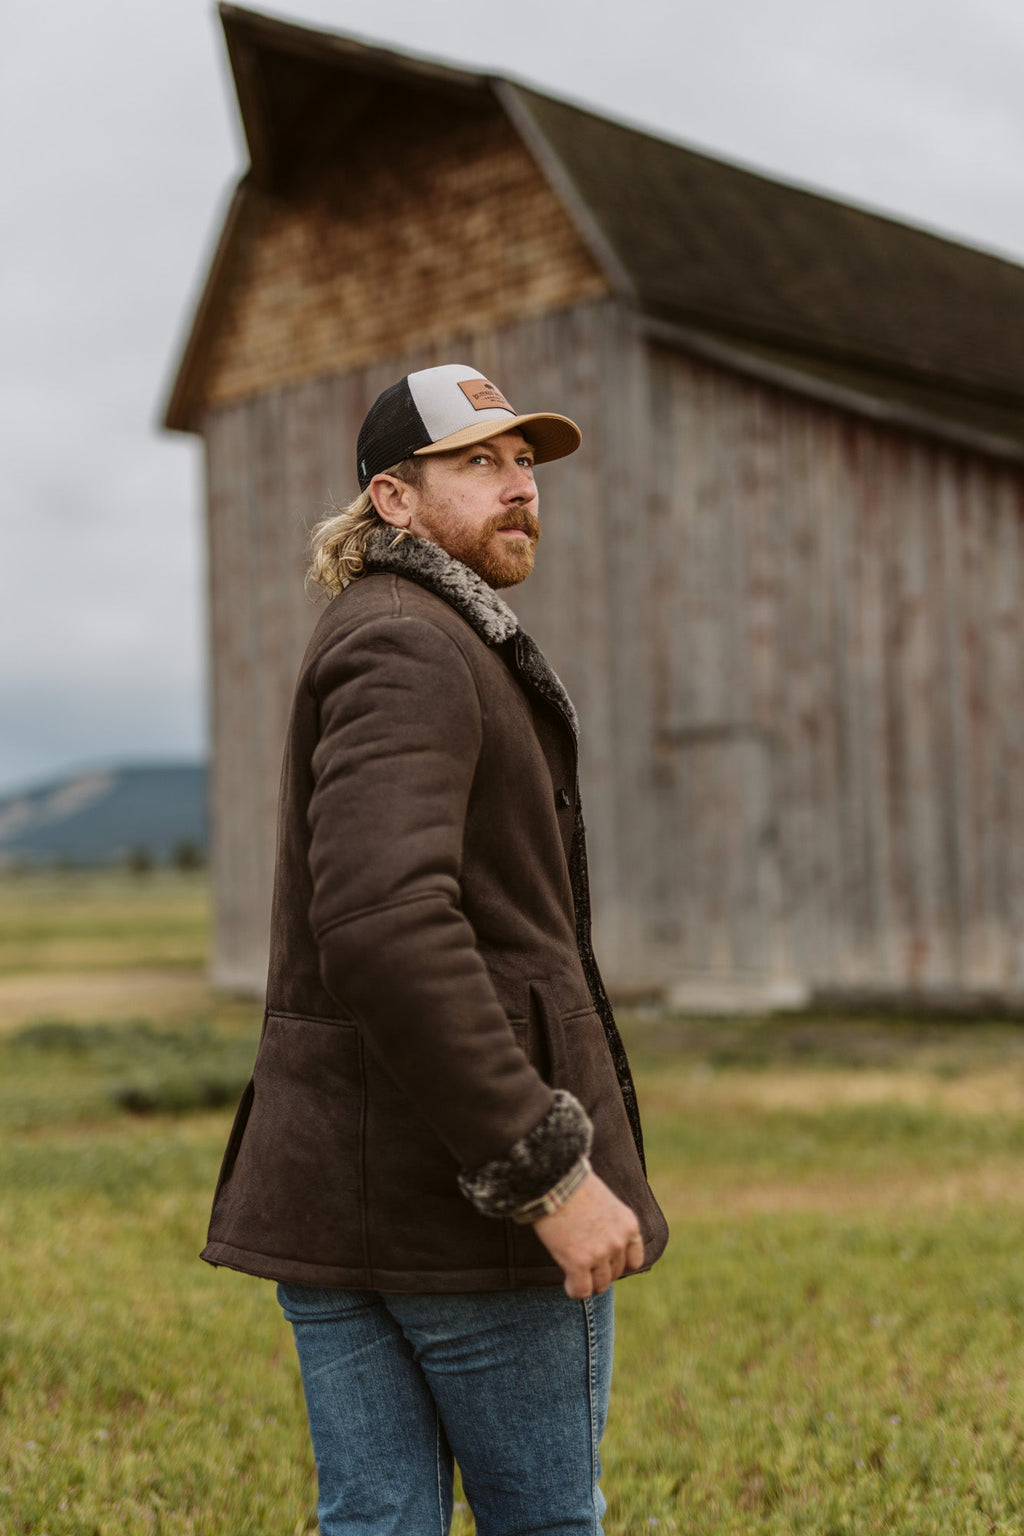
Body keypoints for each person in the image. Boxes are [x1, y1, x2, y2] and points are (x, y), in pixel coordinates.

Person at [201, 363, 669, 1536]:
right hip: (458, 1210)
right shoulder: (415, 644)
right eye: (479, 463)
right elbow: (383, 922)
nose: (520, 488)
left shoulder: (399, 631)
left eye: (525, 464)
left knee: (376, 1522)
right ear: (393, 500)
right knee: (546, 1523)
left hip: (343, 1197)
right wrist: (547, 1173)